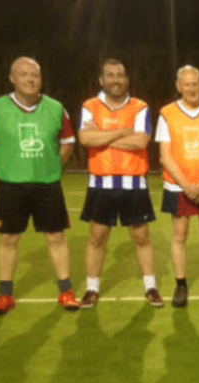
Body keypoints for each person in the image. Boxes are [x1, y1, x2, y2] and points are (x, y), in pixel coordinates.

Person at [0, 56, 80, 315]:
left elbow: (68, 142)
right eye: (24, 74)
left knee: (56, 236)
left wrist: (54, 166)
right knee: (9, 238)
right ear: (12, 78)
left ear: (41, 79)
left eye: (34, 75)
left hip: (48, 185)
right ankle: (5, 295)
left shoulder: (56, 108)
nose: (30, 79)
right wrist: (2, 168)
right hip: (12, 186)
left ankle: (66, 290)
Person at [77, 58, 163, 308]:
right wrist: (122, 131)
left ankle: (151, 287)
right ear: (101, 80)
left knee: (141, 237)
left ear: (127, 79)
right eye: (110, 75)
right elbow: (84, 138)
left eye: (120, 75)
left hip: (134, 184)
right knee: (97, 237)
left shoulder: (140, 106)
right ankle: (92, 289)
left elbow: (140, 142)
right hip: (101, 184)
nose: (116, 80)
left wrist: (100, 137)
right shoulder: (90, 106)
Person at [156, 65, 199, 307]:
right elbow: (165, 156)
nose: (191, 88)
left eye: (195, 83)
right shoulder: (166, 113)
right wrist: (188, 186)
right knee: (179, 235)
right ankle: (181, 285)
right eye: (186, 84)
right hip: (179, 186)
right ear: (178, 86)